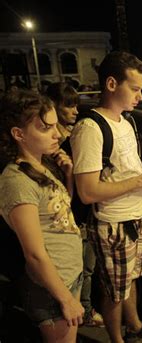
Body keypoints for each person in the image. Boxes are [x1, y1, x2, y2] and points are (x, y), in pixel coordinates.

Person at [70, 51, 142, 342]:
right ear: (112, 84)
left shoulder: (127, 122)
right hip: (112, 224)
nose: (141, 95)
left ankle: (135, 325)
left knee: (131, 279)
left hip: (136, 218)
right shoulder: (90, 129)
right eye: (135, 88)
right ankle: (117, 339)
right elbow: (88, 192)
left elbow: (125, 169)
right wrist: (141, 179)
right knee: (114, 291)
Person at [0, 90, 84, 342]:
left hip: (68, 276)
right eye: (46, 128)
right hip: (52, 290)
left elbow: (59, 212)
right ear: (19, 134)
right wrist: (66, 299)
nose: (57, 134)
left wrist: (68, 176)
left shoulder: (41, 164)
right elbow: (34, 254)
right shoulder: (17, 181)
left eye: (54, 125)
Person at [46, 82, 105, 327]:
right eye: (68, 105)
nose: (74, 110)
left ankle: (84, 308)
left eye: (76, 105)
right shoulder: (52, 146)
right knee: (78, 269)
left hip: (85, 211)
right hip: (69, 216)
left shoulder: (74, 135)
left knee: (87, 267)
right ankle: (82, 311)